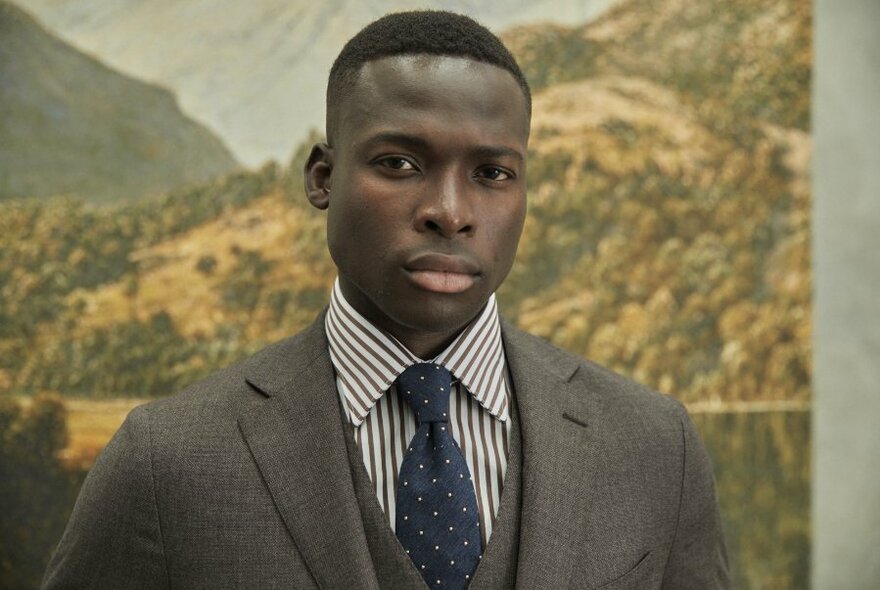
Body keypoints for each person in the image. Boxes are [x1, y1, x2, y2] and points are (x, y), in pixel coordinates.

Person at [43, 10, 729, 589]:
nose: (450, 212)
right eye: (400, 163)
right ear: (322, 177)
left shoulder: (653, 446)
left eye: (492, 173)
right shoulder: (165, 461)